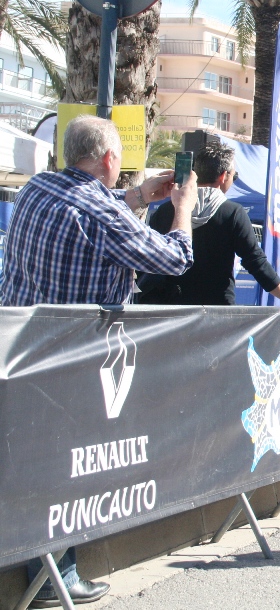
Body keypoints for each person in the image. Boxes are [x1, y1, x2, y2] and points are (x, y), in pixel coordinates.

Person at [0, 115, 199, 607]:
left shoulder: (36, 189)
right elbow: (175, 258)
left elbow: (88, 206)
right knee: (64, 473)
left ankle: (47, 571)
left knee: (32, 465)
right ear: (110, 158)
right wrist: (182, 210)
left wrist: (139, 196)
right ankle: (55, 578)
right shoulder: (102, 213)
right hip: (72, 365)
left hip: (17, 352)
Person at [144, 141, 280, 316]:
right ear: (223, 176)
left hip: (170, 312)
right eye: (235, 175)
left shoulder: (165, 211)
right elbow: (256, 262)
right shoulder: (232, 212)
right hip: (217, 313)